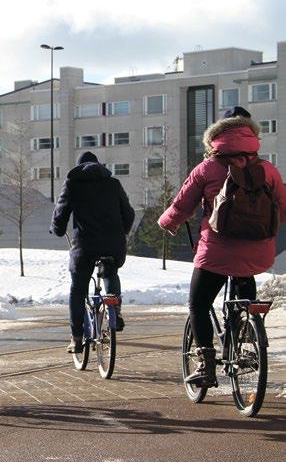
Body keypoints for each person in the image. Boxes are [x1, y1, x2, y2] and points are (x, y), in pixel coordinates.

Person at [158, 106, 286, 387]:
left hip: (216, 251)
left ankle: (206, 363)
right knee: (245, 294)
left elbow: (182, 205)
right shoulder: (268, 169)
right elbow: (282, 207)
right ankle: (245, 335)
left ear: (217, 135)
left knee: (198, 302)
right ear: (252, 135)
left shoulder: (207, 168)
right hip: (257, 252)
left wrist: (168, 222)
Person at [51, 151, 135, 353]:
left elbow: (61, 214)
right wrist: (120, 232)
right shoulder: (113, 184)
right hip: (113, 245)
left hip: (85, 247)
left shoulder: (72, 185)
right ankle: (114, 306)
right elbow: (129, 214)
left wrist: (58, 229)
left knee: (78, 289)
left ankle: (77, 338)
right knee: (111, 271)